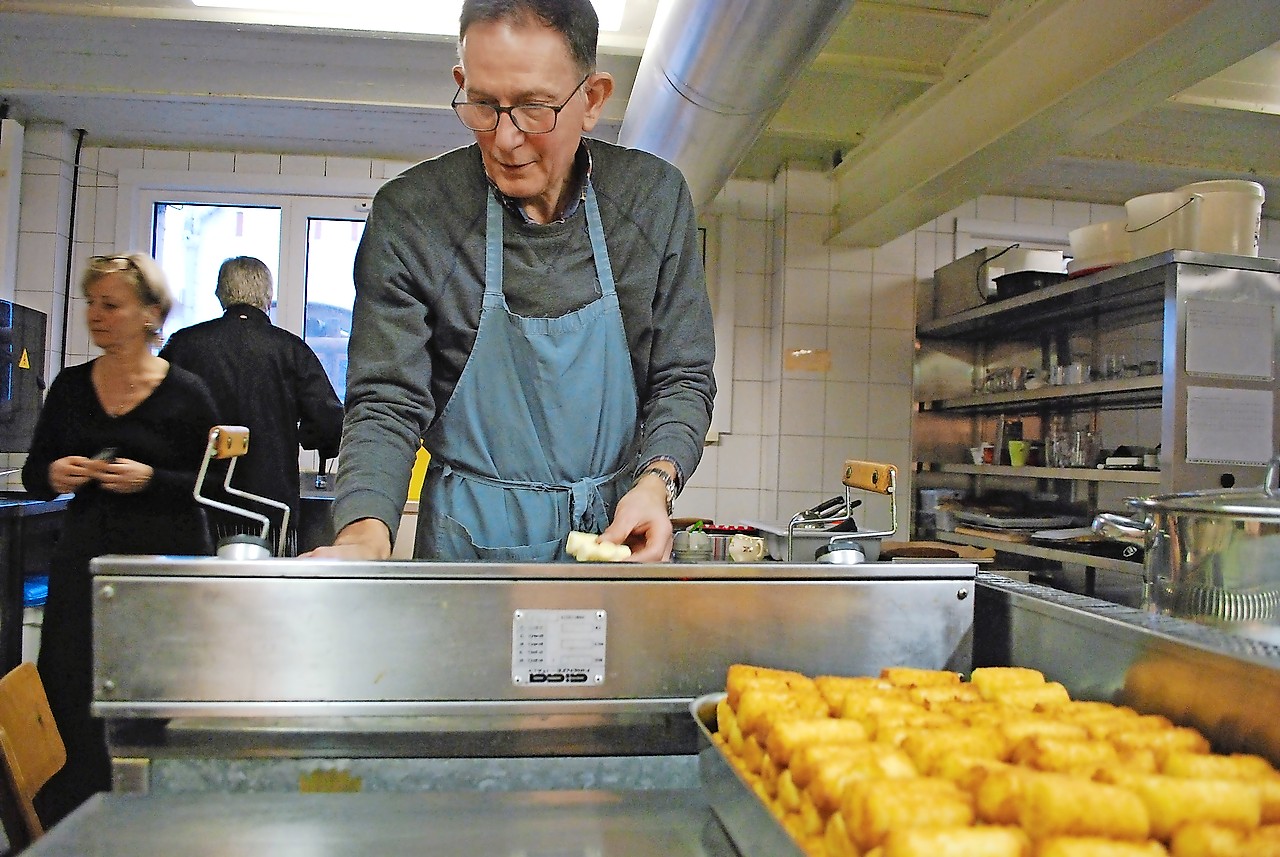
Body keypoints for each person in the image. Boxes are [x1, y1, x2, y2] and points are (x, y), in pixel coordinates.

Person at [305, 0, 715, 564]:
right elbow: (385, 402)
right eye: (482, 105)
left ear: (592, 99)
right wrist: (363, 535)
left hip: (610, 541)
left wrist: (657, 484)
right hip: (464, 549)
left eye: (533, 108)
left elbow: (682, 376)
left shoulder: (654, 201)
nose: (504, 139)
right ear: (461, 83)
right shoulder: (414, 216)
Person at [22, 252, 218, 826]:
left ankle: (157, 820)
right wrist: (56, 475)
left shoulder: (187, 393)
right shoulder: (70, 387)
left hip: (163, 568)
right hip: (84, 562)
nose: (96, 316)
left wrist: (153, 479)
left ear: (150, 313)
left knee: (156, 695)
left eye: (111, 305)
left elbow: (215, 483)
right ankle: (69, 822)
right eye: (91, 304)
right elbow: (37, 470)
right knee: (71, 690)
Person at [160, 256, 344, 554]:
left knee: (198, 596)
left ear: (220, 293)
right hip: (271, 508)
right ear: (268, 298)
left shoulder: (183, 345)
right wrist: (306, 438)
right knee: (266, 596)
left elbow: (158, 415)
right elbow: (330, 424)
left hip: (198, 505)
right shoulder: (291, 349)